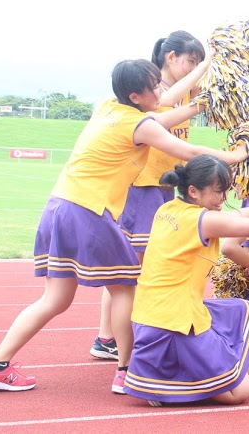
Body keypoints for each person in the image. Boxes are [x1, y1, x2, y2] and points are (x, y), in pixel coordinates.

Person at [0, 60, 248, 393]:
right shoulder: (137, 124)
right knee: (126, 286)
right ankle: (127, 370)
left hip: (59, 205)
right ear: (135, 96)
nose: (161, 91)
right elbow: (187, 149)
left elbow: (163, 114)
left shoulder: (109, 107)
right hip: (88, 209)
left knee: (55, 299)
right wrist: (235, 156)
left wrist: (202, 79)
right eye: (154, 86)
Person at [123, 155, 249, 405]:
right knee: (240, 391)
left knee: (241, 310)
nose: (224, 198)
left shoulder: (169, 209)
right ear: (193, 191)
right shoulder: (203, 219)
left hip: (150, 317)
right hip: (173, 322)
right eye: (218, 192)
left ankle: (167, 375)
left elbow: (241, 214)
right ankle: (166, 383)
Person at [93, 30, 211, 362]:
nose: (194, 68)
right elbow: (167, 99)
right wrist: (207, 66)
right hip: (143, 185)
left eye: (198, 63)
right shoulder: (154, 90)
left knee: (147, 263)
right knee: (129, 265)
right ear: (170, 58)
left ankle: (116, 335)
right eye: (190, 61)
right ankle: (107, 336)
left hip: (165, 186)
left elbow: (208, 91)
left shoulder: (187, 90)